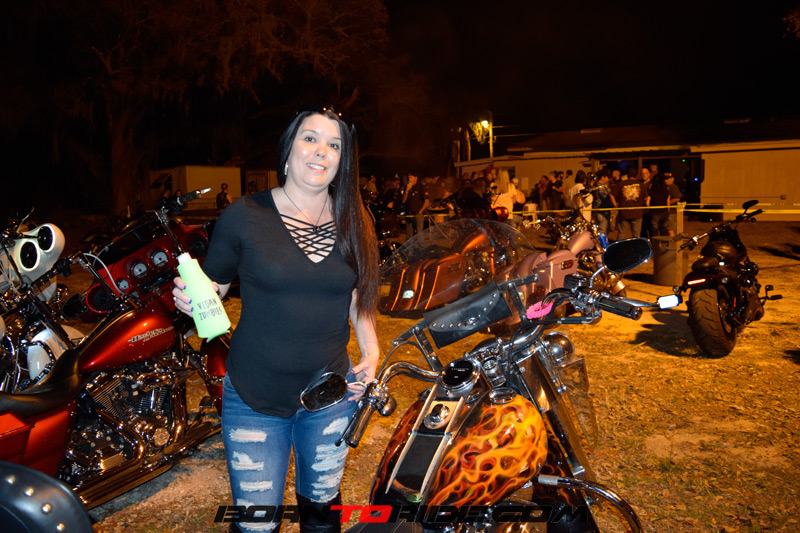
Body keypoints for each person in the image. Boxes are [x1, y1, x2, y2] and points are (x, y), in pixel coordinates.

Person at [172, 106, 380, 533]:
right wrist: (193, 301)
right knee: (257, 524)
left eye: (334, 145)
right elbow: (215, 289)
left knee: (322, 513)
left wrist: (371, 351)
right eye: (310, 138)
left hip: (330, 394)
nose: (321, 151)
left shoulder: (355, 221)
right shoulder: (244, 216)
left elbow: (357, 296)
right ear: (288, 150)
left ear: (342, 162)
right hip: (254, 397)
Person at [611, 168, 648, 240]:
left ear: (627, 175)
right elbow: (646, 197)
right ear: (637, 175)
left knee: (622, 233)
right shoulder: (641, 185)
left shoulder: (621, 184)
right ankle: (635, 246)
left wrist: (615, 204)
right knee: (636, 235)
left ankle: (620, 246)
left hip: (624, 212)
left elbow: (611, 194)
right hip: (637, 213)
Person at [402, 173, 428, 237]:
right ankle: (411, 243)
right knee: (409, 233)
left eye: (411, 177)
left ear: (416, 178)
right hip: (409, 213)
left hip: (418, 213)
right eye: (408, 178)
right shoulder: (406, 187)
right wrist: (407, 191)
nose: (409, 179)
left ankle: (420, 243)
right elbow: (403, 201)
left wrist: (420, 212)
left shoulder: (421, 187)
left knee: (419, 233)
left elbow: (427, 201)